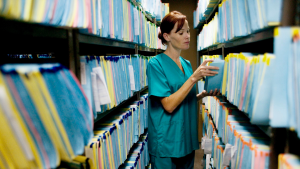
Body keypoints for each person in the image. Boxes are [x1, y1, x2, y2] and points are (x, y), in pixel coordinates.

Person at [146, 11, 220, 169]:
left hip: (186, 139)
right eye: (181, 33)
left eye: (187, 31)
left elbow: (184, 97)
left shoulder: (186, 64)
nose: (187, 36)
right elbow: (168, 105)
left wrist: (203, 94)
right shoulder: (155, 64)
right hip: (166, 143)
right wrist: (194, 78)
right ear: (166, 36)